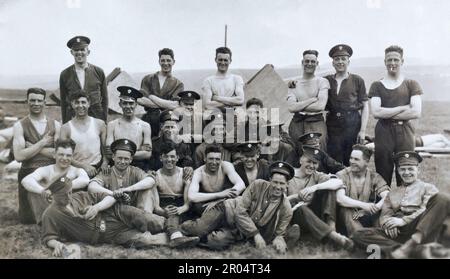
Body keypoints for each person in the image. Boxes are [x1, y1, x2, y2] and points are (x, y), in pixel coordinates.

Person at [180, 161, 300, 253]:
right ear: (270, 180)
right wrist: (256, 235)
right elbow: (240, 212)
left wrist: (279, 238)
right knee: (199, 229)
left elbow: (279, 232)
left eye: (282, 183)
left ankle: (198, 238)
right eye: (275, 182)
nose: (277, 186)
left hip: (239, 228)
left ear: (287, 184)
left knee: (216, 243)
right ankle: (176, 230)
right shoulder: (258, 185)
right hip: (226, 211)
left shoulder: (286, 208)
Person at [351, 151, 450, 259]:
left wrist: (403, 221)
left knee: (442, 198)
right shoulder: (392, 193)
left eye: (410, 169)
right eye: (403, 169)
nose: (406, 172)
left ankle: (410, 245)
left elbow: (427, 211)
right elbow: (385, 214)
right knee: (359, 234)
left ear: (418, 170)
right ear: (398, 171)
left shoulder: (428, 188)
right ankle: (406, 250)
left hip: (421, 227)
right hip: (400, 233)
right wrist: (387, 224)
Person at [369, 45, 423, 186]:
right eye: (389, 60)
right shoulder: (376, 85)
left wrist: (386, 113)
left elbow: (416, 112)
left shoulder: (411, 84)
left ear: (402, 61)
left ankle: (406, 204)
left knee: (406, 168)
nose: (392, 63)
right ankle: (383, 203)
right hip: (383, 132)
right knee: (383, 170)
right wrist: (403, 108)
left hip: (405, 131)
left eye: (396, 59)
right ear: (385, 62)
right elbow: (376, 112)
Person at [287, 146, 354, 249]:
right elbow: (280, 200)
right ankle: (334, 237)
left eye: (315, 163)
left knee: (329, 189)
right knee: (302, 208)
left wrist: (314, 187)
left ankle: (332, 228)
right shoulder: (288, 175)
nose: (311, 166)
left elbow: (338, 182)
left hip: (315, 215)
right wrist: (296, 197)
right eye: (309, 161)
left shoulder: (317, 175)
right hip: (294, 216)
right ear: (301, 160)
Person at [13, 88, 61, 224]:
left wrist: (31, 147)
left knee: (53, 213)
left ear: (45, 103)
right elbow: (19, 156)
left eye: (39, 100)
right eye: (32, 100)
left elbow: (57, 155)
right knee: (27, 219)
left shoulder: (55, 125)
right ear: (26, 101)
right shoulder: (20, 126)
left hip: (50, 171)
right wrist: (43, 143)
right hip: (28, 170)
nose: (36, 103)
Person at [87, 139, 164, 221]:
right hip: (114, 214)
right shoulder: (107, 172)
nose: (123, 162)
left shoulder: (135, 170)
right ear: (113, 157)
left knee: (147, 189)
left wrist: (127, 189)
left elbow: (150, 180)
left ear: (131, 160)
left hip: (136, 212)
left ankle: (146, 219)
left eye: (126, 159)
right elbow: (92, 186)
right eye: (120, 158)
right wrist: (114, 194)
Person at [21, 139, 90, 224]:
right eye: (61, 154)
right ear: (54, 155)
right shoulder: (46, 170)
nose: (64, 158)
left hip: (69, 208)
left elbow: (85, 180)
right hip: (50, 204)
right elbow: (26, 180)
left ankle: (68, 222)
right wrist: (43, 191)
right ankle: (45, 222)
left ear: (72, 157)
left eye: (68, 155)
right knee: (33, 191)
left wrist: (61, 186)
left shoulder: (76, 170)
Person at [324, 44, 369, 166]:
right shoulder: (326, 80)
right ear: (332, 63)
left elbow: (365, 105)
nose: (340, 62)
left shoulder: (357, 80)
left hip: (352, 124)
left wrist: (363, 130)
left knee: (352, 160)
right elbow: (311, 87)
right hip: (332, 125)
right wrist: (292, 83)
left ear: (348, 61)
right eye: (337, 59)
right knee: (334, 161)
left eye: (343, 59)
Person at [335, 145, 390, 236]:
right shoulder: (342, 175)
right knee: (346, 210)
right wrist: (364, 205)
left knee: (381, 208)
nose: (352, 162)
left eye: (356, 159)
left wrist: (373, 209)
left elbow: (387, 195)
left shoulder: (374, 176)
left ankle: (380, 236)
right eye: (351, 158)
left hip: (366, 216)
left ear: (366, 162)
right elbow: (340, 199)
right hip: (345, 219)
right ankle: (363, 239)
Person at [154, 141, 200, 248]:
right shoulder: (156, 175)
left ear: (177, 158)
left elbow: (187, 202)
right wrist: (163, 211)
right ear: (161, 158)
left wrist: (183, 208)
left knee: (190, 220)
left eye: (172, 156)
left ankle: (177, 235)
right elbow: (156, 206)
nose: (169, 159)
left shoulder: (184, 172)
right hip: (165, 204)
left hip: (182, 204)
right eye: (166, 156)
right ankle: (176, 237)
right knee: (172, 212)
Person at [186, 144, 245, 218]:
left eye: (217, 159)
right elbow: (192, 196)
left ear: (221, 159)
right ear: (205, 158)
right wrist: (220, 194)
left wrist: (220, 200)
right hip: (207, 204)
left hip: (224, 201)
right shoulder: (198, 172)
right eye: (211, 158)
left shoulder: (226, 165)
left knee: (237, 202)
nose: (214, 162)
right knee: (197, 207)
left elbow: (241, 184)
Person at [287, 50, 329, 150]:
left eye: (313, 62)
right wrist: (311, 100)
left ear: (317, 64)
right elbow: (291, 107)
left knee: (318, 151)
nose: (309, 64)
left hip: (316, 122)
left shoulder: (322, 82)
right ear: (302, 63)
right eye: (307, 61)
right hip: (297, 123)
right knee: (296, 151)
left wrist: (299, 106)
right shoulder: (294, 84)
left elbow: (320, 106)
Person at [59, 36, 108, 124]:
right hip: (74, 118)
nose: (79, 52)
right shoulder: (65, 74)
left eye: (82, 49)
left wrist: (104, 119)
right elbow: (63, 102)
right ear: (72, 52)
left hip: (96, 117)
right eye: (76, 50)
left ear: (88, 52)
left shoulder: (98, 72)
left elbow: (105, 99)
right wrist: (65, 122)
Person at [137, 48, 184, 138]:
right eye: (163, 60)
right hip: (148, 121)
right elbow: (141, 100)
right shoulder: (148, 78)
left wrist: (152, 97)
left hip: (167, 122)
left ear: (173, 61)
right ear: (159, 61)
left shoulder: (178, 84)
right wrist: (165, 104)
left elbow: (174, 105)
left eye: (168, 60)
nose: (165, 63)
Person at [60, 91, 108, 178]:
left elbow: (105, 149)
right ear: (72, 104)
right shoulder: (65, 128)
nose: (80, 106)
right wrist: (84, 166)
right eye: (77, 102)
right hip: (76, 168)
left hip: (98, 167)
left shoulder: (99, 124)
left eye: (83, 102)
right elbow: (62, 154)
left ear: (89, 104)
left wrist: (105, 162)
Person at [106, 86, 152, 171]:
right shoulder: (112, 125)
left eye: (131, 103)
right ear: (120, 104)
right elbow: (109, 153)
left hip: (138, 167)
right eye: (125, 103)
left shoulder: (145, 126)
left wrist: (120, 154)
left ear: (136, 104)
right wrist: (138, 152)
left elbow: (147, 154)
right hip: (116, 167)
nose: (128, 106)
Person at [202, 47, 244, 111]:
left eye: (225, 60)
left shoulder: (237, 79)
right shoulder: (208, 81)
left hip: (232, 116)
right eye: (220, 60)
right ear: (215, 60)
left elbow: (240, 100)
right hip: (214, 117)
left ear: (230, 61)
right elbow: (207, 105)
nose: (223, 63)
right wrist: (232, 101)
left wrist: (216, 98)